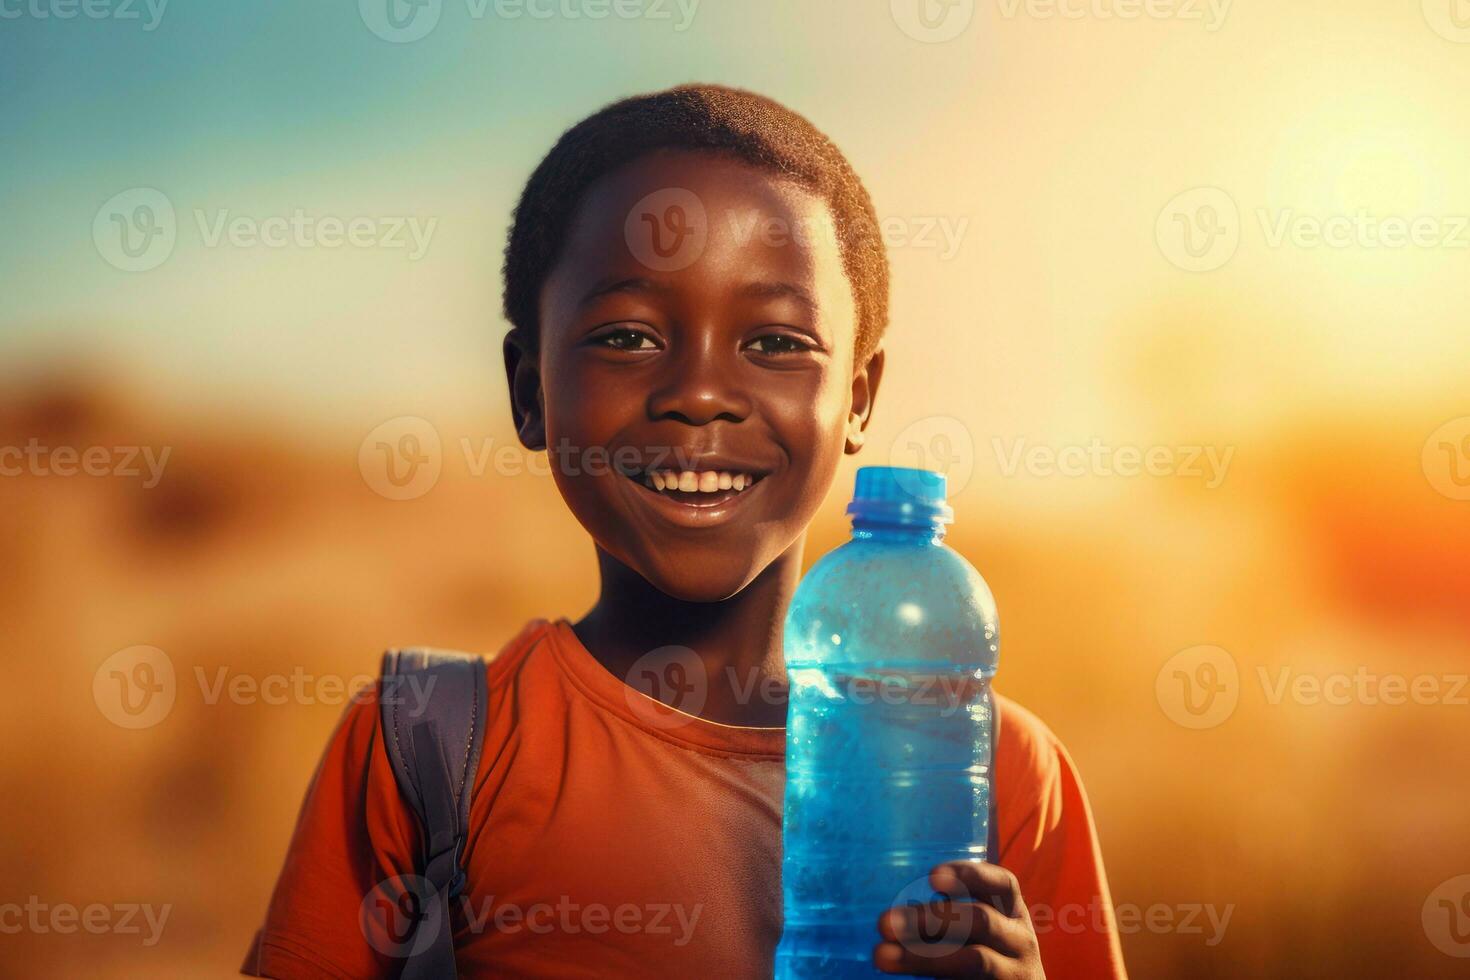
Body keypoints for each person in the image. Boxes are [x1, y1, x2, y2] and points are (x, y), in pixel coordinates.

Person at [242, 83, 1127, 980]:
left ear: (857, 398)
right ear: (529, 390)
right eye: (626, 337)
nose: (700, 392)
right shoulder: (423, 750)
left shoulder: (998, 772)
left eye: (778, 344)